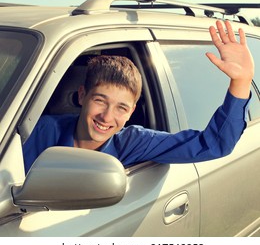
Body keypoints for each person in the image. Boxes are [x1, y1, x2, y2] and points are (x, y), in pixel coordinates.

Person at [23, 20, 254, 174]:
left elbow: (213, 145)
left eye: (121, 108)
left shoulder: (134, 143)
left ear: (132, 111)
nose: (106, 116)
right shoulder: (36, 132)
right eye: (100, 100)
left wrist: (241, 81)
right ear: (82, 95)